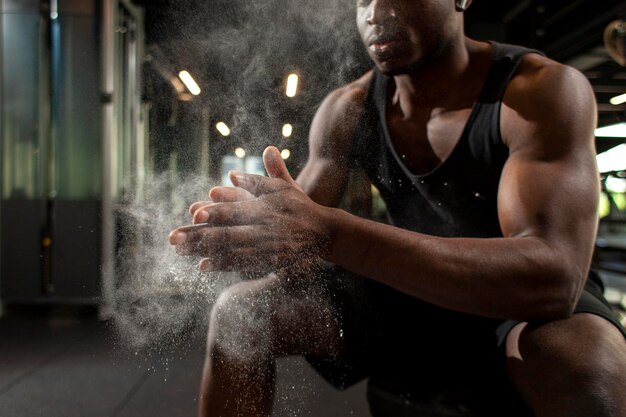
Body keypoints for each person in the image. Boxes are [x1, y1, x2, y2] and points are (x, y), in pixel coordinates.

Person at [169, 0, 626, 416]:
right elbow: (298, 235)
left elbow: (553, 278)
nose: (377, 11)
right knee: (239, 314)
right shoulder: (346, 109)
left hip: (512, 296)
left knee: (583, 362)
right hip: (406, 286)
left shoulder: (536, 91)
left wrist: (331, 234)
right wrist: (253, 235)